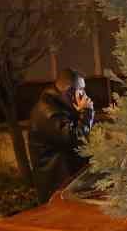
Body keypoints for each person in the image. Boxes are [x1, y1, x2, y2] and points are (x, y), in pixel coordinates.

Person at [28, 68, 94, 200]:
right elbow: (77, 140)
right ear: (70, 92)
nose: (85, 95)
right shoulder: (47, 113)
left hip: (67, 186)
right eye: (81, 90)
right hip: (57, 191)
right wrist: (87, 113)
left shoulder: (59, 108)